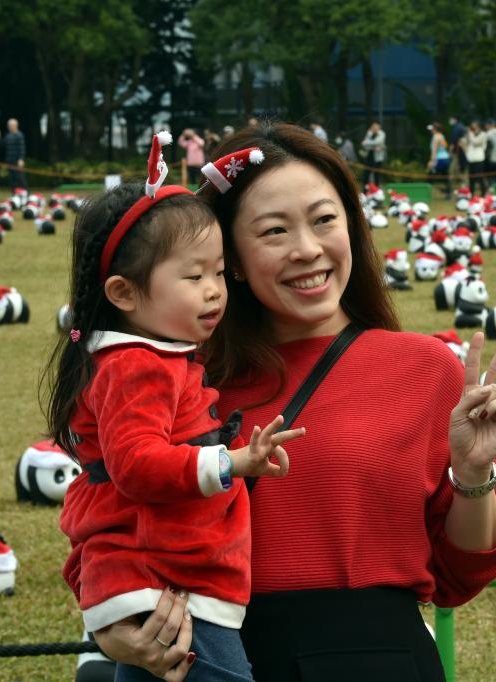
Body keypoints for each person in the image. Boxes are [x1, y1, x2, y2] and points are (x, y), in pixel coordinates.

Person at [97, 122, 496, 681]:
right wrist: (111, 628)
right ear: (228, 256)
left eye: (325, 220)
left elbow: (462, 574)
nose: (307, 249)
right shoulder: (175, 375)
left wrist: (473, 477)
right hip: (205, 658)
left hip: (371, 662)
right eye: (274, 231)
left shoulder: (426, 369)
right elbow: (105, 512)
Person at [47, 139, 305, 682]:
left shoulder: (158, 353)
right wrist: (233, 463)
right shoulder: (136, 366)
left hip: (162, 576)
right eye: (193, 278)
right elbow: (136, 465)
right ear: (123, 292)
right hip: (166, 578)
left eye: (218, 273)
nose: (214, 293)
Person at [463, 120, 488, 196]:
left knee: (479, 177)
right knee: (471, 179)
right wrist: (467, 135)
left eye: (474, 127)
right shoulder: (471, 134)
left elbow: (475, 142)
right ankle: (471, 194)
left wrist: (470, 134)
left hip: (479, 159)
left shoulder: (483, 134)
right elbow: (466, 142)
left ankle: (484, 193)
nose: (473, 128)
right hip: (471, 159)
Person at [427, 122, 451, 197]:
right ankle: (448, 194)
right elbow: (445, 147)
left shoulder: (435, 137)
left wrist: (431, 161)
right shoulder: (442, 136)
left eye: (432, 129)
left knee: (430, 176)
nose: (431, 131)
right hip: (446, 158)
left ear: (435, 129)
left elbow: (434, 150)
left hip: (439, 159)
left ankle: (426, 193)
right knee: (445, 177)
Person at [360, 121, 386, 187]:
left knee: (376, 175)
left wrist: (367, 143)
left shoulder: (381, 134)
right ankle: (365, 191)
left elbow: (377, 142)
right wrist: (371, 145)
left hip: (378, 158)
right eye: (373, 126)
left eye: (376, 126)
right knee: (366, 174)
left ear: (379, 127)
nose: (374, 127)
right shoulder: (369, 133)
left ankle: (377, 191)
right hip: (369, 156)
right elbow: (364, 145)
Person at [3, 118, 27, 190]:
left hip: (17, 161)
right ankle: (14, 195)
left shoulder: (19, 135)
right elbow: (3, 146)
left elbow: (22, 148)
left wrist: (21, 159)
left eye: (11, 125)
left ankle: (26, 193)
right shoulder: (7, 136)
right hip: (9, 160)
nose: (10, 127)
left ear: (16, 126)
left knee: (20, 178)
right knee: (12, 179)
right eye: (9, 125)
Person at [448, 115, 468, 188]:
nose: (450, 121)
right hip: (462, 151)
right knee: (461, 169)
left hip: (458, 152)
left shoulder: (457, 128)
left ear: (455, 119)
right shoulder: (462, 127)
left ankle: (453, 188)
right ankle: (462, 186)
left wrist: (450, 150)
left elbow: (454, 141)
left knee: (453, 170)